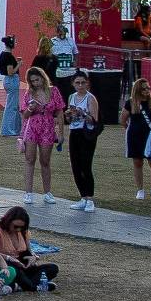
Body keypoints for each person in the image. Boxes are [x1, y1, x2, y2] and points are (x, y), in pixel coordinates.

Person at [18, 66, 60, 202]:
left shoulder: (53, 91)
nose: (36, 83)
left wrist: (61, 133)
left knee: (45, 160)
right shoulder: (28, 93)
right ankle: (28, 192)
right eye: (33, 81)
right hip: (32, 127)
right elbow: (24, 114)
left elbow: (59, 111)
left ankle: (47, 192)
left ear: (43, 78)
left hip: (47, 127)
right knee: (30, 159)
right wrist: (30, 109)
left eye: (37, 80)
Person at [62, 72, 102, 212]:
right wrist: (69, 115)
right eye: (77, 83)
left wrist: (82, 113)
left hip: (87, 134)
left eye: (83, 83)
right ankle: (83, 197)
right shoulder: (72, 97)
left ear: (87, 83)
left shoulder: (90, 99)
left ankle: (90, 198)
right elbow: (69, 120)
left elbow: (94, 120)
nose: (80, 86)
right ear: (73, 84)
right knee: (76, 165)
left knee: (86, 165)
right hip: (75, 132)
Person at [125, 77, 151, 201]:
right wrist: (131, 130)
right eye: (144, 88)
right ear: (138, 90)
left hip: (150, 137)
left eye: (148, 88)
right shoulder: (131, 103)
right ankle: (140, 190)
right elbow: (123, 119)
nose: (147, 90)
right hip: (135, 137)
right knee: (138, 162)